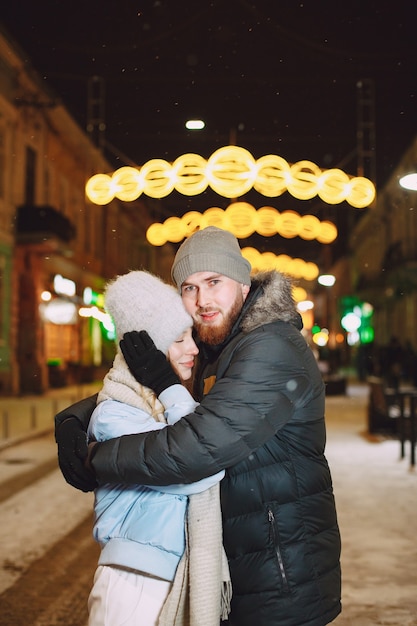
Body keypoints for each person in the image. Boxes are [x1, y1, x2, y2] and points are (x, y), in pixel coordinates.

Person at [55, 226, 342, 626]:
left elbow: (197, 449)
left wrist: (96, 458)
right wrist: (80, 417)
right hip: (245, 563)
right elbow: (160, 380)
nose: (202, 300)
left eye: (214, 282)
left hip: (279, 574)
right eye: (189, 288)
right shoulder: (221, 344)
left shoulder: (269, 347)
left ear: (242, 284)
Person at [84, 270, 230, 626]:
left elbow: (202, 442)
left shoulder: (164, 406)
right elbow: (202, 463)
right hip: (132, 582)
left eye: (191, 337)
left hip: (168, 574)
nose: (194, 349)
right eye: (180, 340)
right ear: (148, 352)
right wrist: (169, 387)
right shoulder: (115, 416)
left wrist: (168, 388)